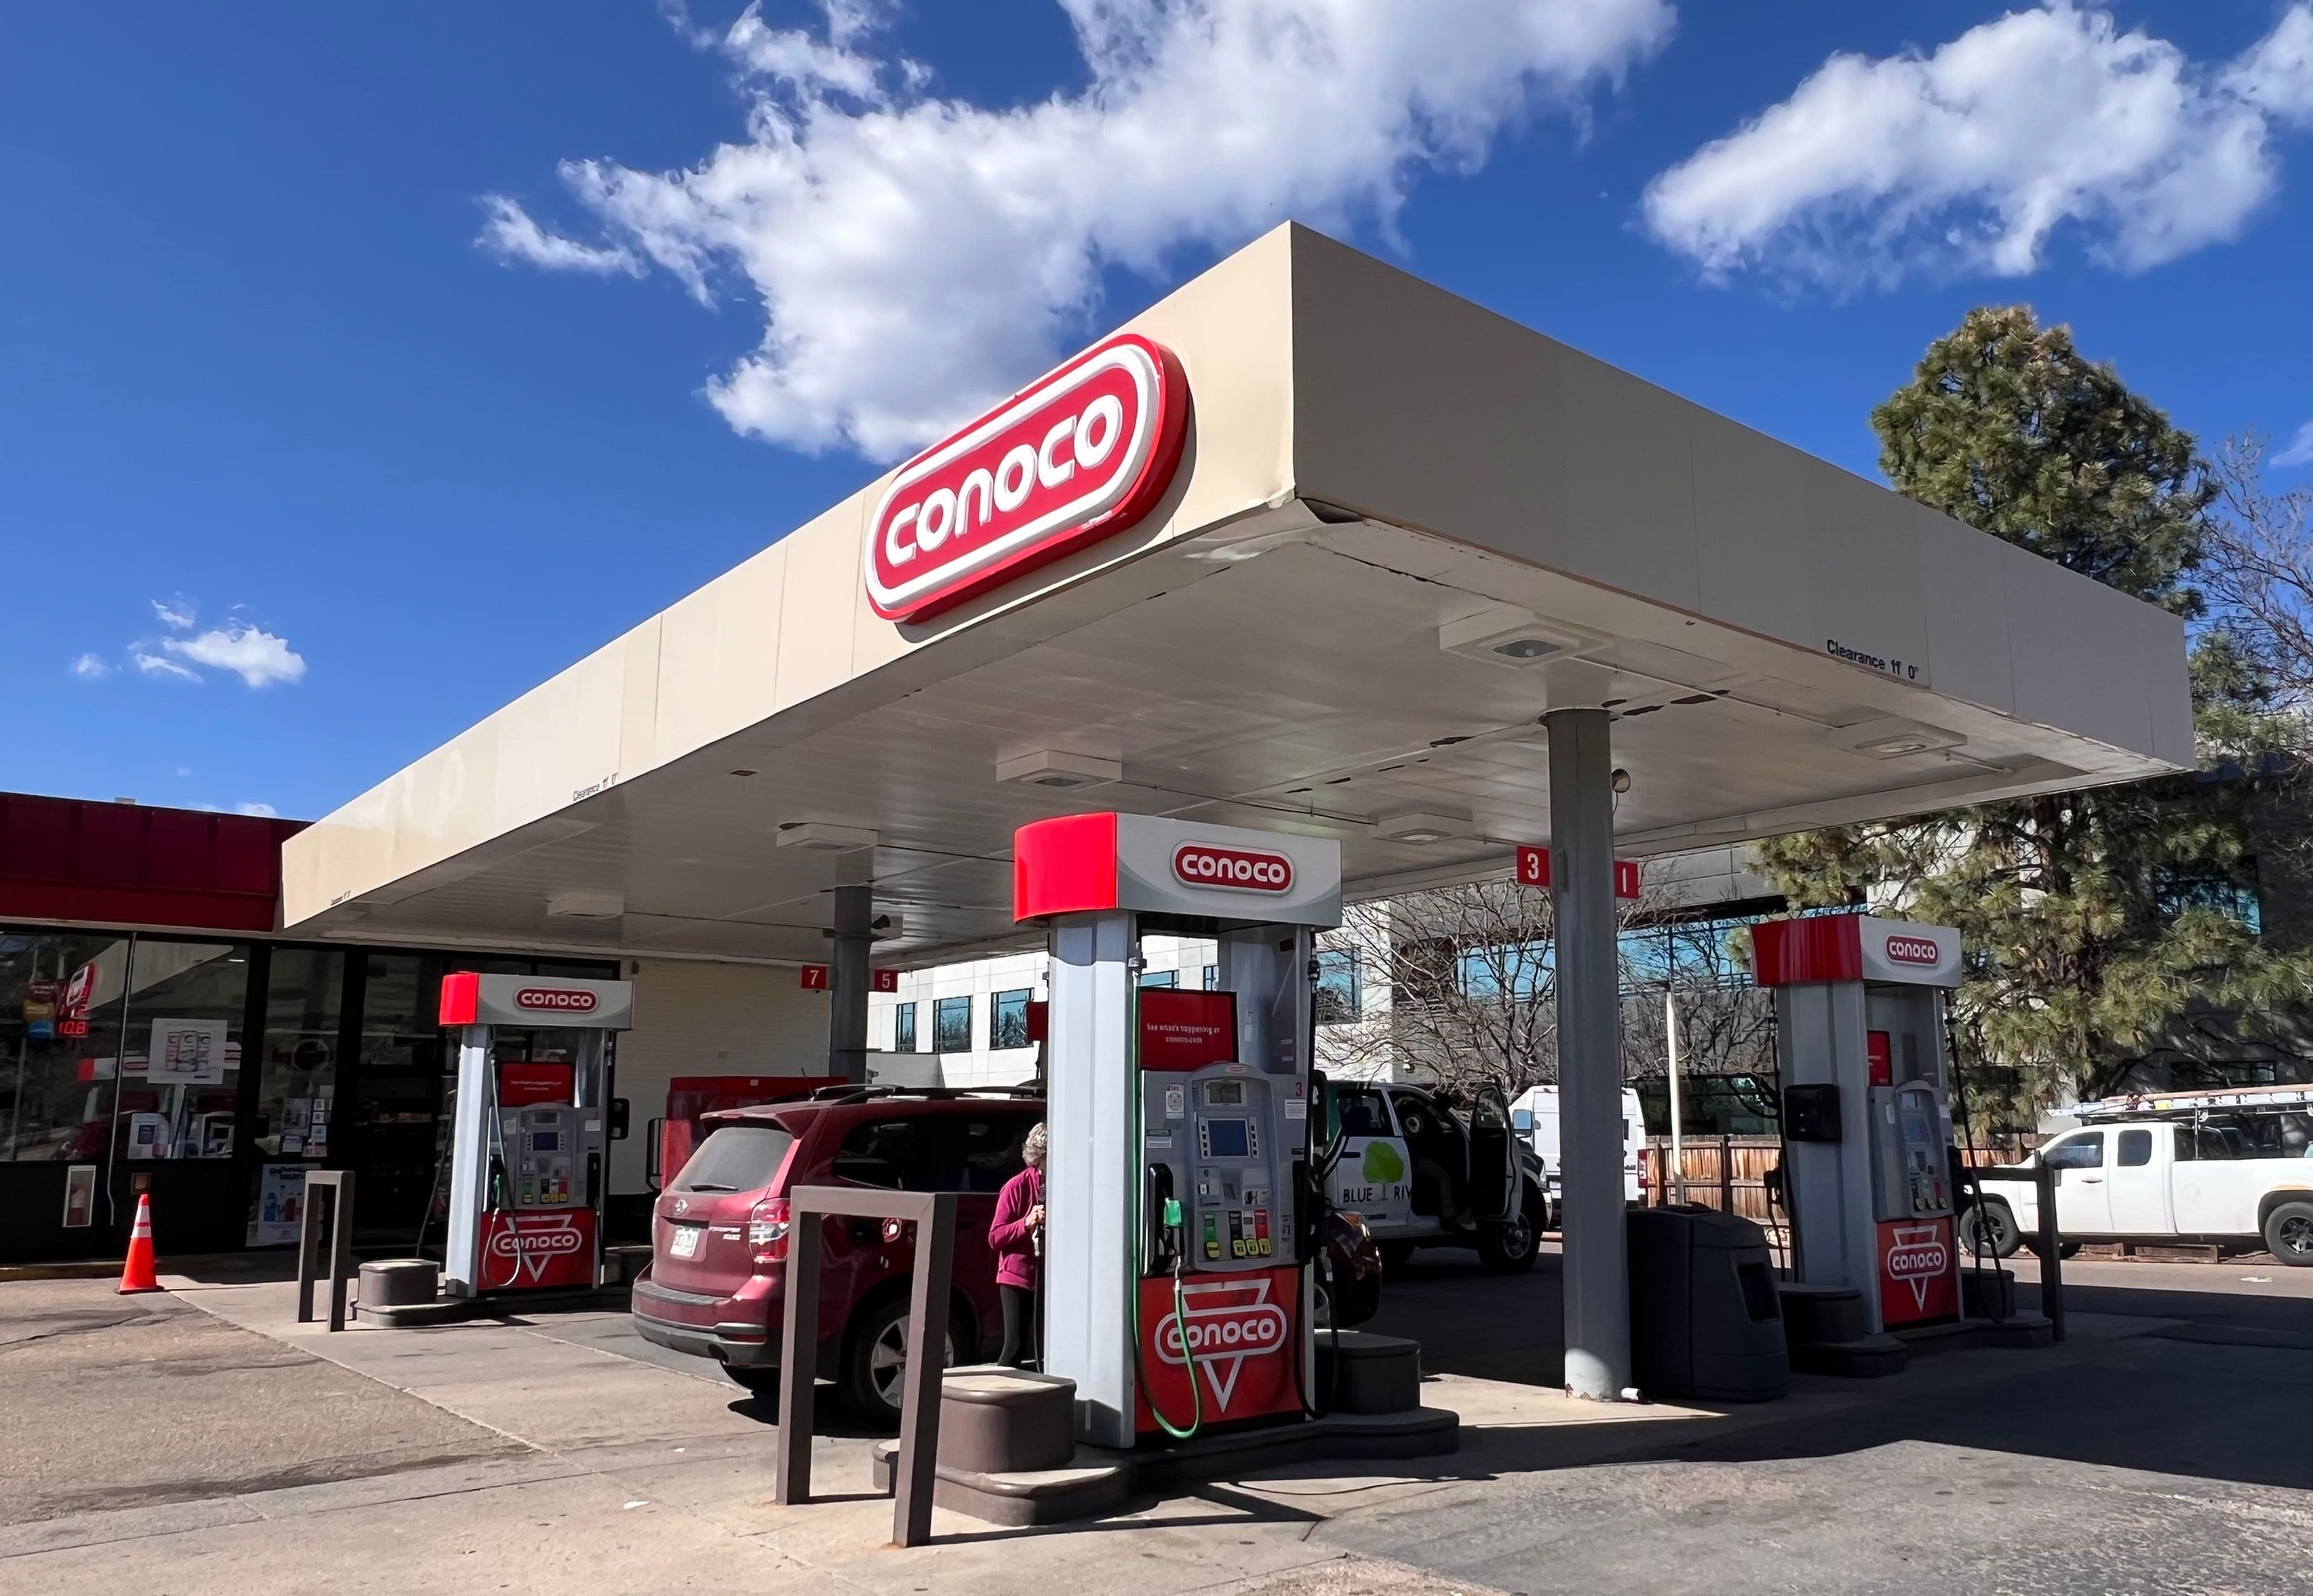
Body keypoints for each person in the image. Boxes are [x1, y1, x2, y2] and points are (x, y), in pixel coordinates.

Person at [989, 1122, 1047, 1368]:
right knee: (1015, 1346)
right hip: (1016, 1278)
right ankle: (1001, 1397)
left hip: (1045, 1278)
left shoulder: (1063, 1185)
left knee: (1043, 1347)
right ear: (1040, 1156)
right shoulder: (1016, 1187)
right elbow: (995, 1237)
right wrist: (1026, 1223)